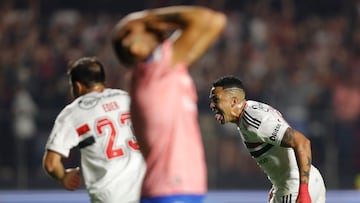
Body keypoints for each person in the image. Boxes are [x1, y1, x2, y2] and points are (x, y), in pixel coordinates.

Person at [111, 6, 226, 203]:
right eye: (146, 29)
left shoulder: (159, 72)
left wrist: (142, 22)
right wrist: (148, 16)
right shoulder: (155, 72)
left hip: (177, 188)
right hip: (170, 189)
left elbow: (216, 21)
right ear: (135, 47)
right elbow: (209, 19)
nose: (155, 27)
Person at [42, 57, 146, 203]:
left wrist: (63, 176)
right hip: (146, 189)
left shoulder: (73, 112)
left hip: (111, 196)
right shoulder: (126, 98)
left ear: (77, 86)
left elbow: (51, 164)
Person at [209, 75, 326, 203]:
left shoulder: (252, 121)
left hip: (295, 187)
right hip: (310, 178)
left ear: (234, 101)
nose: (212, 105)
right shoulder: (251, 109)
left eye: (216, 100)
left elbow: (302, 142)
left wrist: (302, 191)